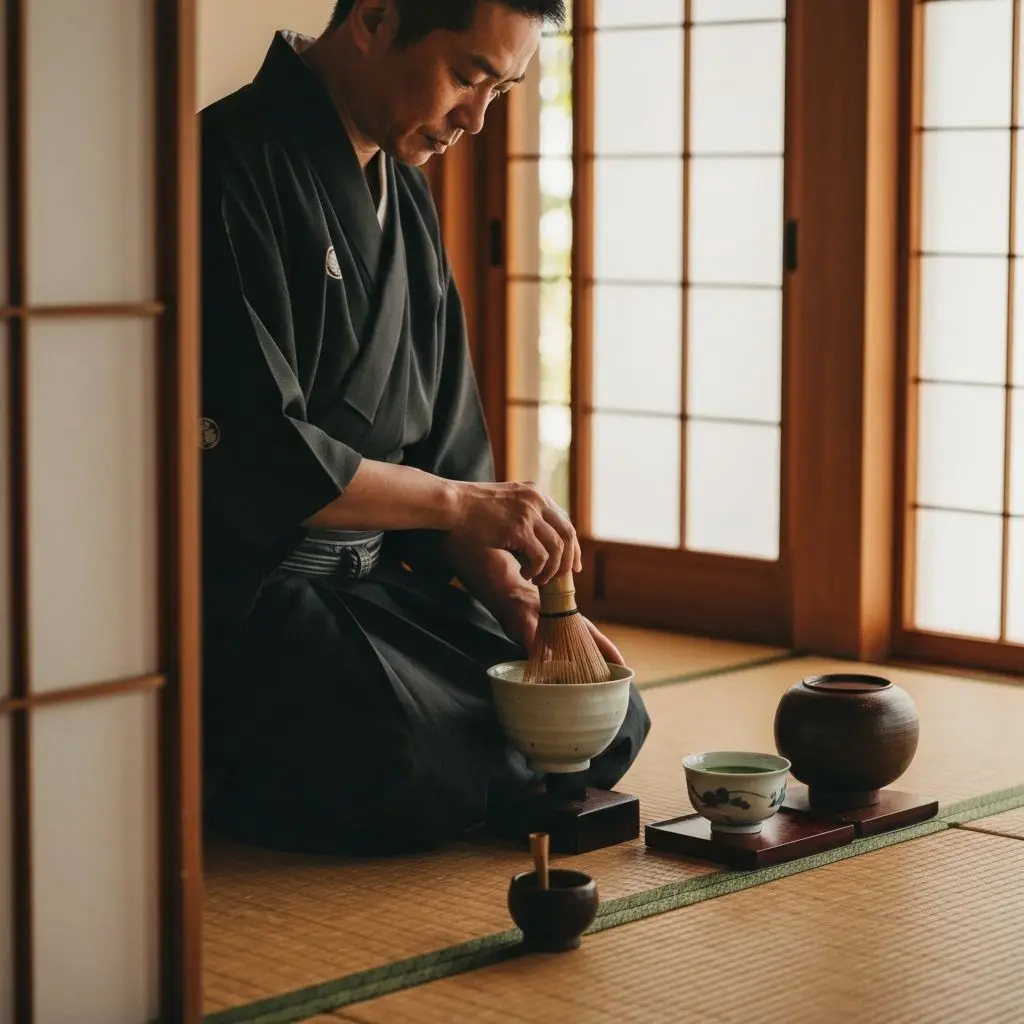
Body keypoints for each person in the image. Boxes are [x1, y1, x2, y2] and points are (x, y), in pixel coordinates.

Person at [199, 0, 651, 856]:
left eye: (501, 91)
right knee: (416, 751)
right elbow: (264, 453)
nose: (475, 120)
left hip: (372, 585)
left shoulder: (402, 193)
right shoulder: (228, 159)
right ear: (373, 18)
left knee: (605, 714)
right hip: (260, 598)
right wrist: (457, 504)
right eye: (468, 77)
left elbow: (449, 451)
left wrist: (519, 603)